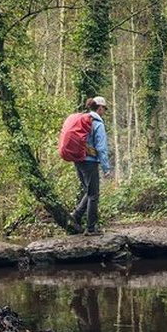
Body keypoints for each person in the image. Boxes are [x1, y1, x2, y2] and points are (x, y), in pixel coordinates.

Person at [70, 96, 112, 235]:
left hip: (78, 160)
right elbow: (101, 148)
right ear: (99, 108)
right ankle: (91, 229)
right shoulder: (98, 123)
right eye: (104, 109)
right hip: (90, 162)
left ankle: (76, 216)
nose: (104, 111)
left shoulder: (82, 120)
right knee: (93, 195)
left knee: (89, 191)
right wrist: (106, 168)